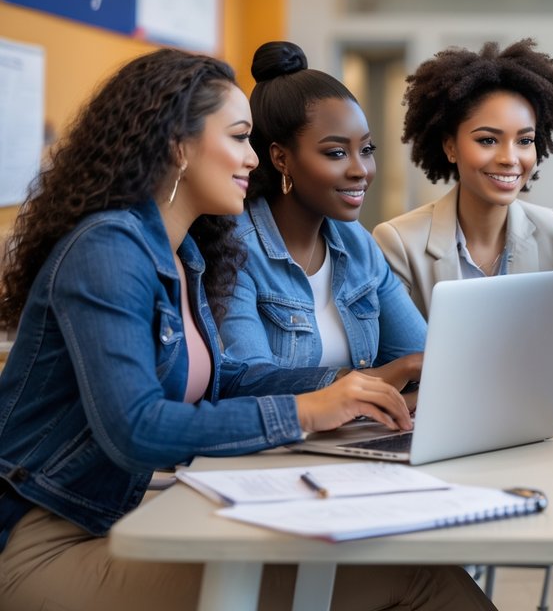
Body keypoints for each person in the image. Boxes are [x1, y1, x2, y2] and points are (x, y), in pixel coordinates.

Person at [0, 49, 494, 610]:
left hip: (129, 514)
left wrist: (342, 387)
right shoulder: (107, 251)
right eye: (239, 138)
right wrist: (305, 411)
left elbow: (226, 377)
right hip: (47, 540)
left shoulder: (182, 252)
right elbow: (134, 427)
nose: (255, 160)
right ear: (176, 145)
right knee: (415, 576)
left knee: (401, 560)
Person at [218, 42, 426, 393]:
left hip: (353, 438)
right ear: (281, 158)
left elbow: (418, 357)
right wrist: (366, 383)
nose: (360, 170)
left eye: (367, 150)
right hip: (277, 444)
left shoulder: (356, 241)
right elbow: (247, 382)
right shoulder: (235, 247)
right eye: (336, 152)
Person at [372, 38, 553, 319]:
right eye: (488, 140)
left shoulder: (552, 232)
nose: (509, 158)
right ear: (450, 147)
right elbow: (402, 355)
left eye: (524, 140)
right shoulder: (399, 242)